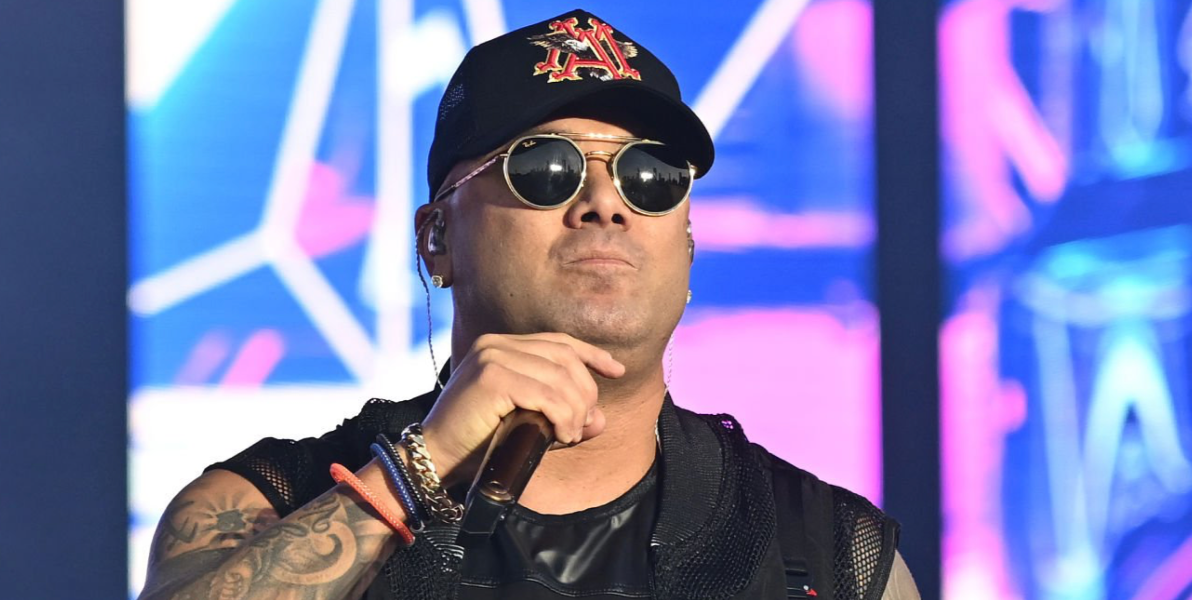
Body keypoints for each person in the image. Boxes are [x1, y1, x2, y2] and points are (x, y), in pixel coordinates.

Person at [139, 9, 920, 600]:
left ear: (686, 248)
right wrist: (419, 471)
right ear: (437, 238)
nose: (606, 203)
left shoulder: (830, 555)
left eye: (650, 178)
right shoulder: (265, 504)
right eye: (546, 168)